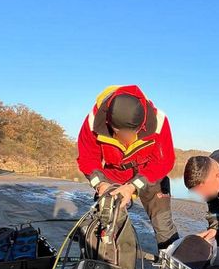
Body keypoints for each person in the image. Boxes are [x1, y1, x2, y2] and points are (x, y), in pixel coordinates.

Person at [77, 84, 179, 250]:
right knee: (106, 222)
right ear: (109, 122)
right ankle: (110, 267)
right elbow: (88, 158)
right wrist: (101, 184)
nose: (126, 139)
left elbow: (163, 162)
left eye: (131, 133)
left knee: (164, 226)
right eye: (120, 133)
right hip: (114, 177)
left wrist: (133, 186)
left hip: (149, 175)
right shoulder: (93, 121)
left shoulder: (159, 120)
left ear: (142, 124)